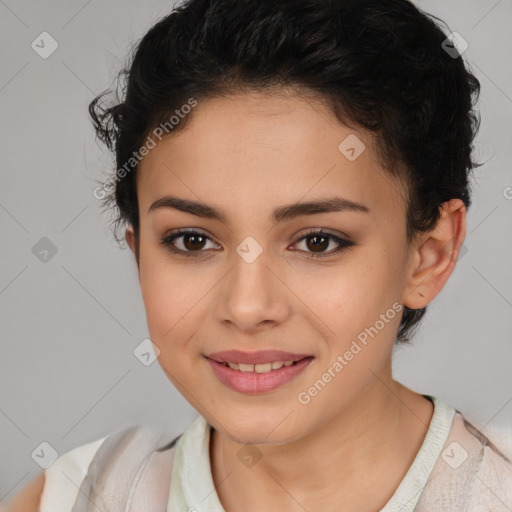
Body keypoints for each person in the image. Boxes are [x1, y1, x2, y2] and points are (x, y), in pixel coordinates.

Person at [4, 0, 512, 510]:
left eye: (318, 241)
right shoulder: (72, 499)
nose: (247, 307)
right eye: (192, 240)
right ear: (139, 255)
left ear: (429, 254)